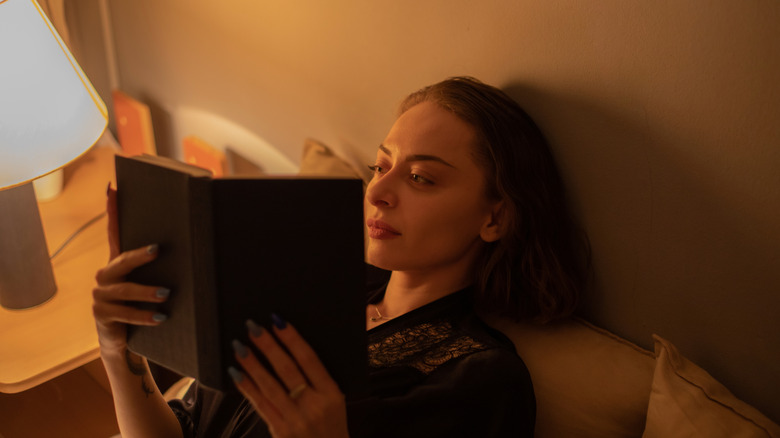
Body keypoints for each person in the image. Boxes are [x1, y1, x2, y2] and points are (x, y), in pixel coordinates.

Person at [93, 76, 588, 437]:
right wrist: (119, 351)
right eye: (381, 166)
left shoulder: (483, 379)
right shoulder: (301, 287)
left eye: (421, 178)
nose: (377, 193)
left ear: (495, 218)